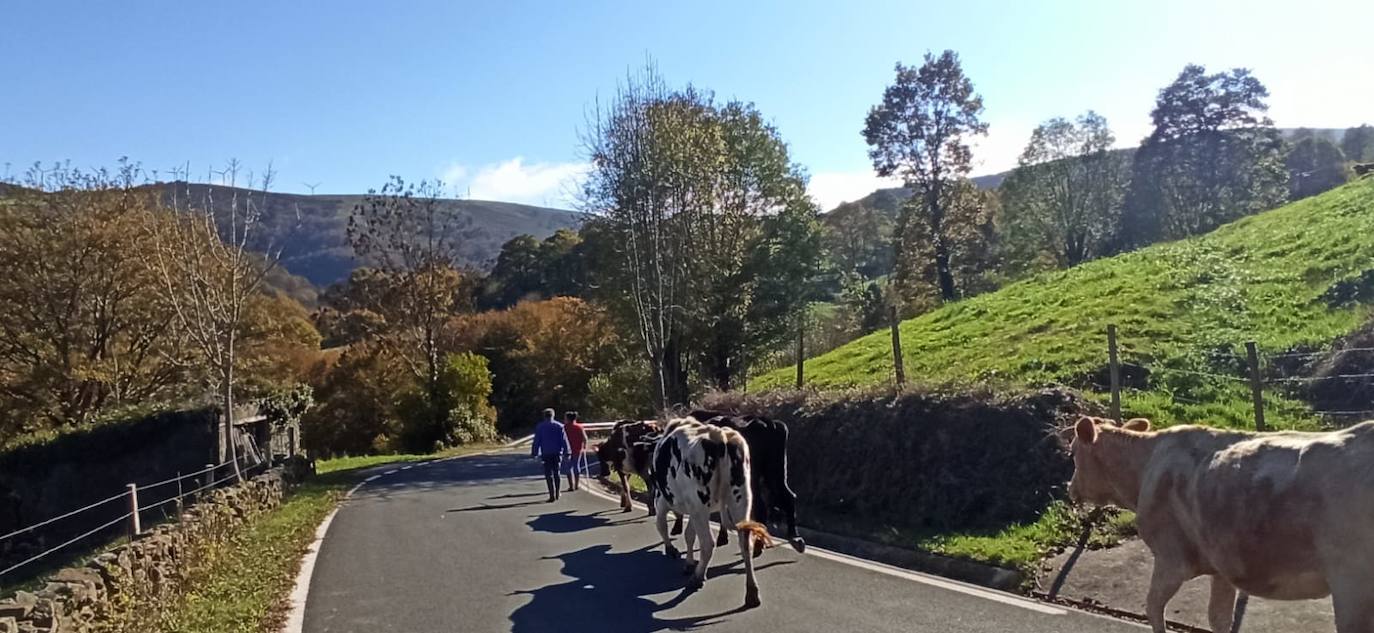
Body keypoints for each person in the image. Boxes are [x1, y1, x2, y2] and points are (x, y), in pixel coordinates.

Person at [530, 408, 570, 502]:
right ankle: (557, 492)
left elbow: (537, 440)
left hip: (546, 453)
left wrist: (534, 452)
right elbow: (564, 440)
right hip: (557, 453)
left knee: (548, 474)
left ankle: (551, 494)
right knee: (557, 472)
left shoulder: (540, 426)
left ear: (544, 416)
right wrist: (567, 452)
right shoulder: (559, 426)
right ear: (553, 415)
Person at [563, 411, 588, 492]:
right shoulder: (579, 427)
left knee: (568, 467)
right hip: (577, 449)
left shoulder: (565, 427)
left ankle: (571, 485)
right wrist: (584, 445)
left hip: (567, 450)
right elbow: (585, 438)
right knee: (576, 465)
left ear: (568, 419)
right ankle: (576, 485)